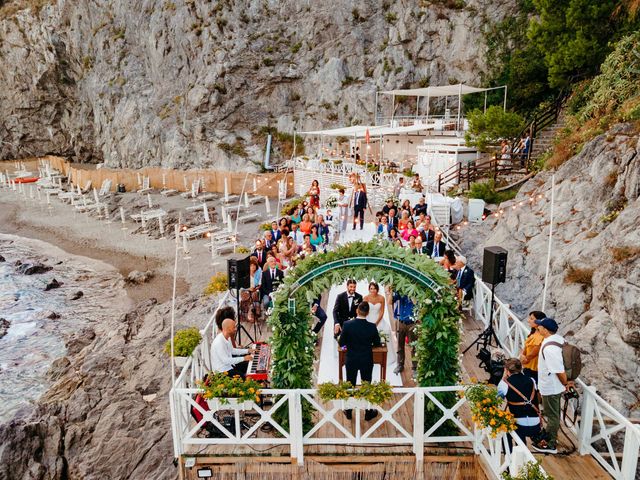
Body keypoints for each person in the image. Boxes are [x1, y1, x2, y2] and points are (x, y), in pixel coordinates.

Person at [532, 317, 569, 454]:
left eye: (540, 326)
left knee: (553, 416)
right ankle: (551, 436)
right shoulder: (559, 339)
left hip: (551, 387)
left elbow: (558, 370)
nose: (538, 327)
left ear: (545, 330)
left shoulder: (549, 349)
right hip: (553, 386)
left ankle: (550, 444)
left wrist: (567, 384)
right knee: (551, 413)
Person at [338, 301, 381, 421]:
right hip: (366, 359)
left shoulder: (347, 325)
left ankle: (348, 411)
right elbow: (377, 343)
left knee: (350, 384)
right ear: (367, 313)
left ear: (357, 310)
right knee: (366, 385)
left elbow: (341, 343)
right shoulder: (372, 327)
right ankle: (368, 412)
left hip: (351, 359)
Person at [498, 358, 542, 448]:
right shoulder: (532, 380)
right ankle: (521, 451)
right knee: (518, 425)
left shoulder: (504, 384)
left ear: (506, 370)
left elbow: (498, 399)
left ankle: (509, 456)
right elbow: (538, 399)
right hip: (536, 425)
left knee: (505, 430)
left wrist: (503, 378)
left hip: (520, 425)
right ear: (521, 368)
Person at [393, 293, 416, 375]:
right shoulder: (400, 291)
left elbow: (417, 303)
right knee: (400, 345)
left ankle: (414, 367)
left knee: (413, 346)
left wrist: (412, 296)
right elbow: (390, 301)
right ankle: (400, 364)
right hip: (401, 322)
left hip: (412, 323)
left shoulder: (415, 291)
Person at [519, 311, 546, 382]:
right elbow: (526, 347)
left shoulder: (541, 336)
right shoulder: (533, 333)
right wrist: (522, 355)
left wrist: (525, 359)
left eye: (531, 319)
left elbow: (535, 351)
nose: (528, 321)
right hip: (528, 367)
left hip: (534, 369)